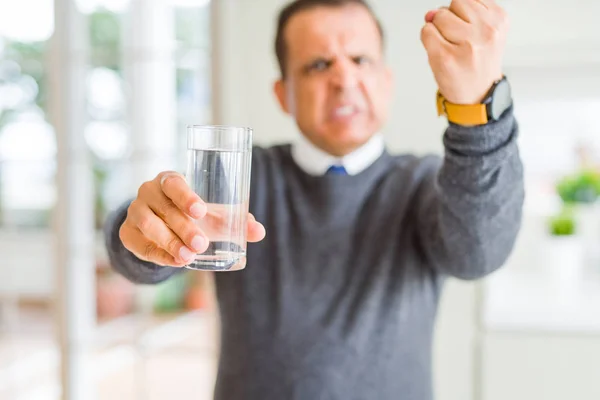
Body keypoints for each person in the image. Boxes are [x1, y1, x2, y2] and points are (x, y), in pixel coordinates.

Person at [104, 0, 524, 398]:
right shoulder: (245, 177)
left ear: (386, 81)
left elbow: (479, 254)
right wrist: (144, 233)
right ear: (283, 94)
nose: (344, 79)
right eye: (319, 65)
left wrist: (476, 108)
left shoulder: (426, 184)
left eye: (361, 60)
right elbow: (139, 249)